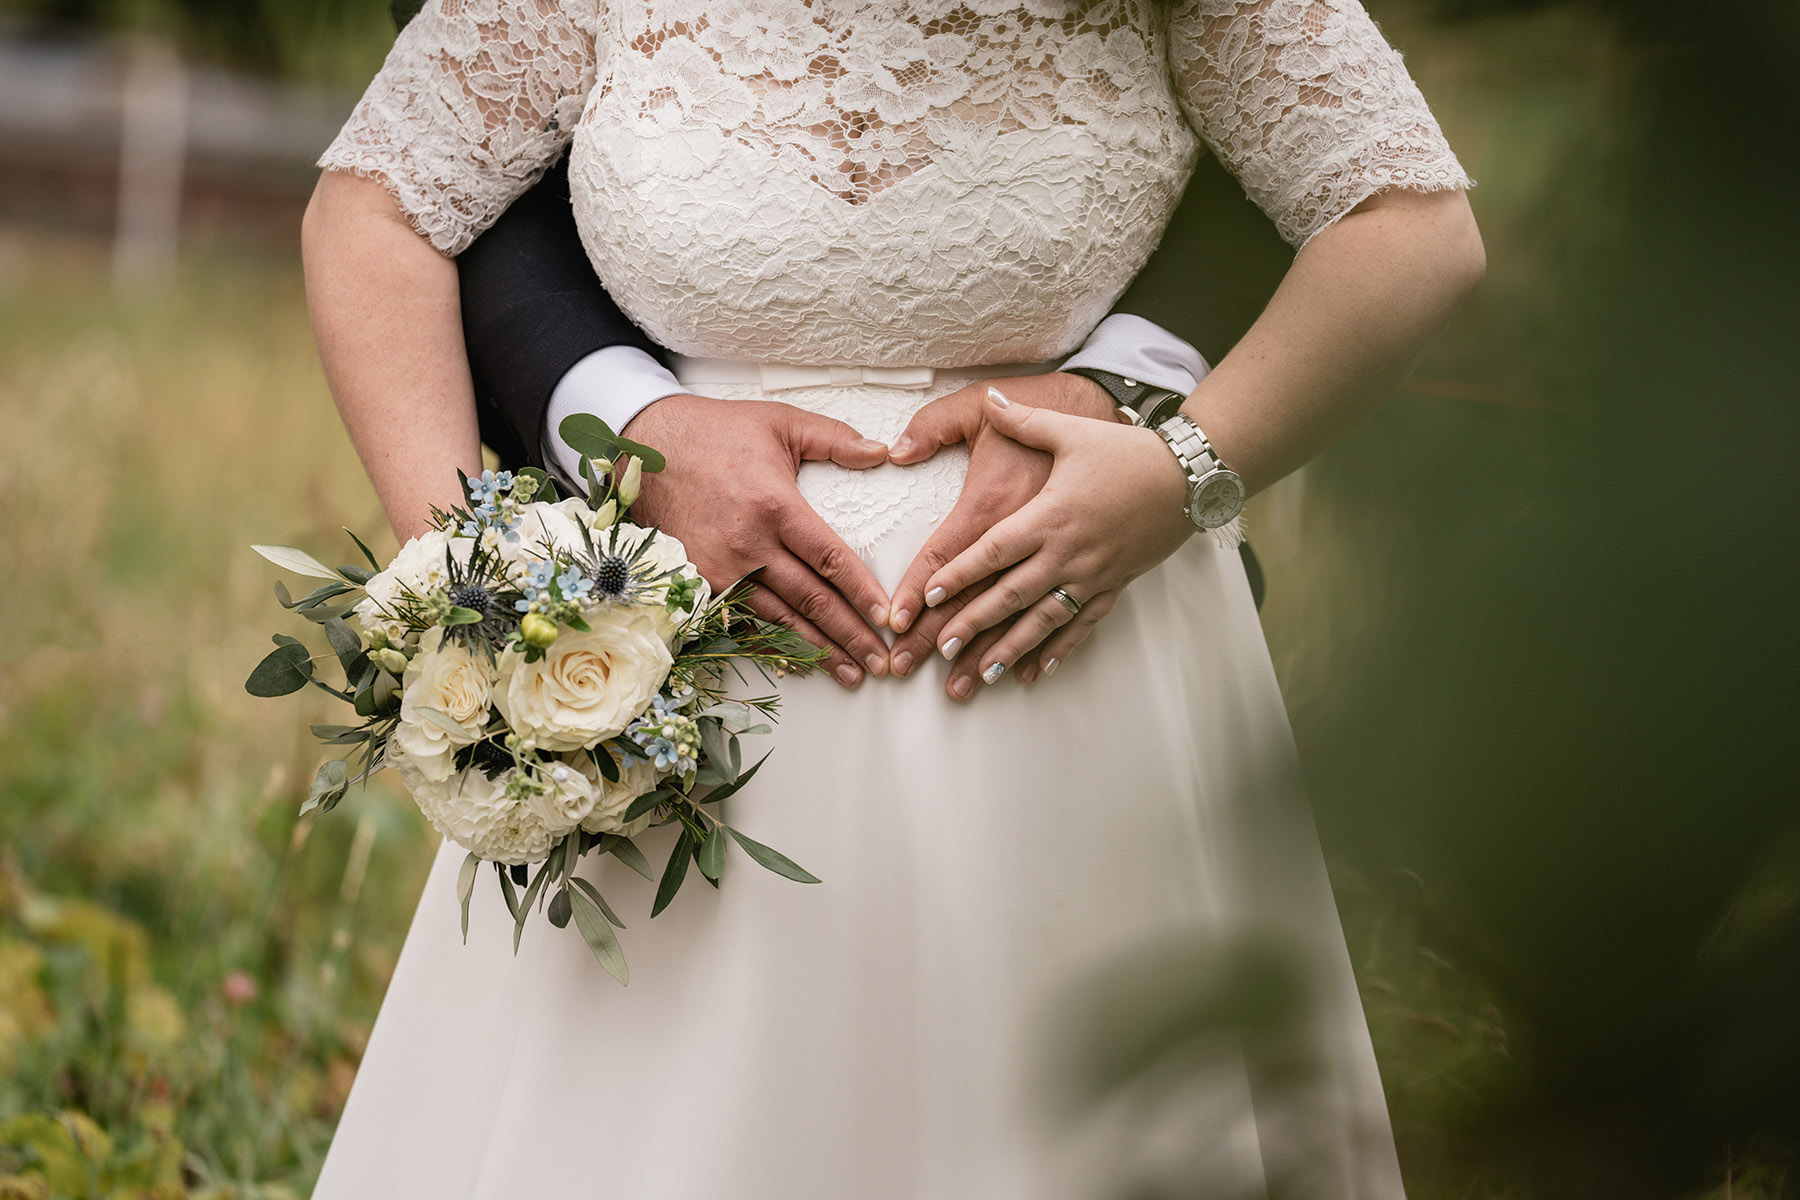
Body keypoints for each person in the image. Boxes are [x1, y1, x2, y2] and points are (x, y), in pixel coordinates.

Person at [300, 0, 1483, 1195]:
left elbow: (1409, 227)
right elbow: (376, 209)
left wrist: (1179, 474)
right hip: (674, 680)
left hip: (1074, 668)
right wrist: (487, 590)